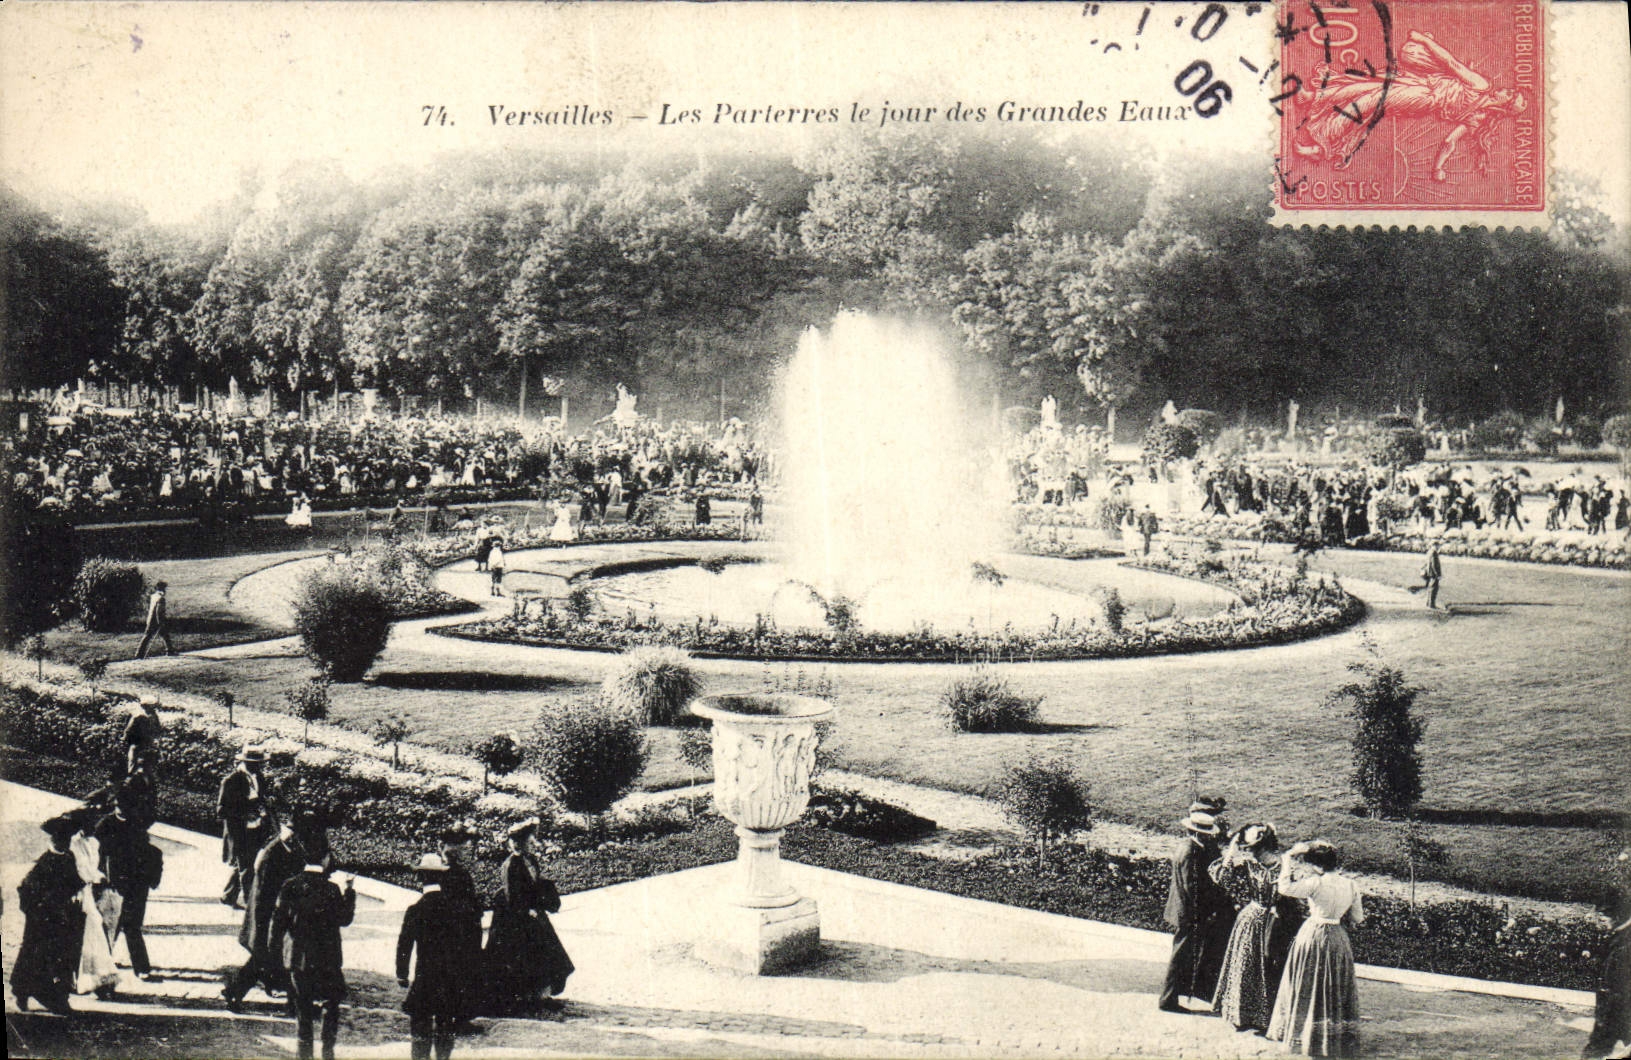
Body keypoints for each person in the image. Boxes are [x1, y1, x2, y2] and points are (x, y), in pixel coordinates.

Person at [1267, 841, 1364, 1057]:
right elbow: (1358, 917)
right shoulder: (1351, 885)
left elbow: (1284, 888)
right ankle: (1331, 1038)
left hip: (1313, 934)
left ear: (1317, 866)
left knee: (1306, 983)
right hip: (1338, 937)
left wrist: (1287, 859)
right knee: (1333, 986)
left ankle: (1303, 1035)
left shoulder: (1316, 883)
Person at [224, 808, 318, 1010]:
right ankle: (235, 993)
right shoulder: (272, 854)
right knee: (265, 959)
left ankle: (237, 992)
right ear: (286, 830)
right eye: (292, 833)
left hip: (274, 916)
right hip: (266, 918)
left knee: (268, 960)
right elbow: (264, 895)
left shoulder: (285, 849)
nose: (295, 838)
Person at [270, 849, 356, 1060]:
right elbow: (344, 919)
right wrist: (350, 891)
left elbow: (278, 923)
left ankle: (304, 1054)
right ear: (325, 859)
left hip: (298, 959)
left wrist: (276, 955)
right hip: (328, 959)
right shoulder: (332, 889)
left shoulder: (290, 885)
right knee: (331, 1002)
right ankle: (328, 1050)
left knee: (303, 1009)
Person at [484, 817, 574, 1016]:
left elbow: (535, 884)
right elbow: (512, 894)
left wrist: (545, 899)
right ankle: (522, 998)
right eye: (515, 840)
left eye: (528, 840)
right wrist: (527, 910)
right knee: (520, 956)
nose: (532, 844)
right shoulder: (510, 864)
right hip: (515, 917)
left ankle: (542, 996)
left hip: (533, 913)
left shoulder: (531, 860)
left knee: (547, 951)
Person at [398, 854, 480, 1060]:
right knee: (445, 1025)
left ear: (420, 879)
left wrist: (402, 974)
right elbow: (464, 944)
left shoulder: (415, 910)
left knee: (420, 1026)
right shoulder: (455, 910)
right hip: (449, 978)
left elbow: (404, 945)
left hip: (424, 977)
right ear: (441, 878)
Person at [1158, 806, 1233, 1013]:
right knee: (1180, 955)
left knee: (1181, 953)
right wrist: (1204, 913)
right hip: (1188, 913)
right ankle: (1168, 999)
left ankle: (1171, 996)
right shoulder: (1191, 851)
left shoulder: (1186, 846)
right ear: (1200, 832)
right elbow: (1192, 888)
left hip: (1182, 910)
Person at [1210, 823, 1282, 1032]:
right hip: (1251, 919)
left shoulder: (1284, 866)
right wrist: (1231, 850)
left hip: (1276, 922)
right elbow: (1222, 877)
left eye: (1251, 847)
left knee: (1270, 967)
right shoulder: (1250, 866)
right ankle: (1242, 1015)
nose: (1249, 851)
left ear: (1263, 846)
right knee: (1246, 965)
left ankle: (1266, 1017)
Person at [13, 815, 87, 1014]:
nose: (63, 844)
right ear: (52, 841)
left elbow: (74, 881)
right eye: (59, 840)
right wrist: (38, 911)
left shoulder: (68, 857)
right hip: (42, 918)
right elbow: (25, 889)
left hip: (62, 916)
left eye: (66, 841)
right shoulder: (45, 863)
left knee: (62, 956)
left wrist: (80, 891)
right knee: (36, 955)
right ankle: (25, 993)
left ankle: (58, 997)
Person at [96, 786, 163, 984]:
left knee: (133, 926)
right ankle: (102, 966)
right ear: (114, 805)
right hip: (114, 883)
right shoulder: (105, 825)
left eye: (126, 805)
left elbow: (148, 851)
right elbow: (99, 855)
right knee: (110, 927)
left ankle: (142, 969)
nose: (122, 809)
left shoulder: (137, 822)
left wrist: (150, 877)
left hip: (136, 884)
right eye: (118, 805)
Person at [67, 803, 121, 999]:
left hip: (88, 893)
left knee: (94, 932)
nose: (93, 826)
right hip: (77, 892)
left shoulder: (94, 843)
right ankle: (76, 978)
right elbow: (79, 869)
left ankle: (98, 978)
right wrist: (95, 877)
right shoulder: (73, 844)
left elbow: (93, 867)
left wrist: (101, 877)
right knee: (81, 934)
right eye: (89, 823)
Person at [1582, 850, 1630, 1060]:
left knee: (1596, 1051)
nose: (1601, 921)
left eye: (1605, 916)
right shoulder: (1617, 937)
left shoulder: (1626, 941)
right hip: (1611, 1011)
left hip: (1618, 1010)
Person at [217, 745, 269, 908]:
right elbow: (221, 810)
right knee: (247, 868)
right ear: (244, 762)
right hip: (239, 831)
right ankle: (251, 903)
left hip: (256, 829)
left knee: (243, 864)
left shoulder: (258, 778)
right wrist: (244, 814)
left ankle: (229, 896)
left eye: (259, 763)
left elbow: (260, 798)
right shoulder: (231, 781)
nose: (258, 766)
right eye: (254, 763)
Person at [122, 693, 163, 777]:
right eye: (152, 706)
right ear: (146, 706)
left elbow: (158, 729)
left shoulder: (151, 716)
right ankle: (131, 776)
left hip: (146, 742)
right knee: (134, 755)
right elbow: (129, 730)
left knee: (139, 759)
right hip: (139, 742)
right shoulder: (139, 716)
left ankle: (138, 775)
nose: (153, 708)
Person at [136, 580, 175, 659]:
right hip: (156, 621)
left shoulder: (153, 596)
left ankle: (139, 653)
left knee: (150, 636)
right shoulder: (161, 598)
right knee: (162, 635)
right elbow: (158, 611)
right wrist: (160, 622)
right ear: (162, 588)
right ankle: (169, 651)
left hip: (150, 619)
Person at [1409, 541, 1444, 610]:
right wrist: (1437, 574)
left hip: (1430, 573)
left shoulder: (1429, 552)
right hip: (1433, 574)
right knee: (1433, 589)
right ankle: (1431, 604)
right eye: (1437, 546)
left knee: (1430, 588)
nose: (1438, 547)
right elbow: (1433, 564)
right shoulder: (1433, 553)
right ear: (1435, 545)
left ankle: (1429, 603)